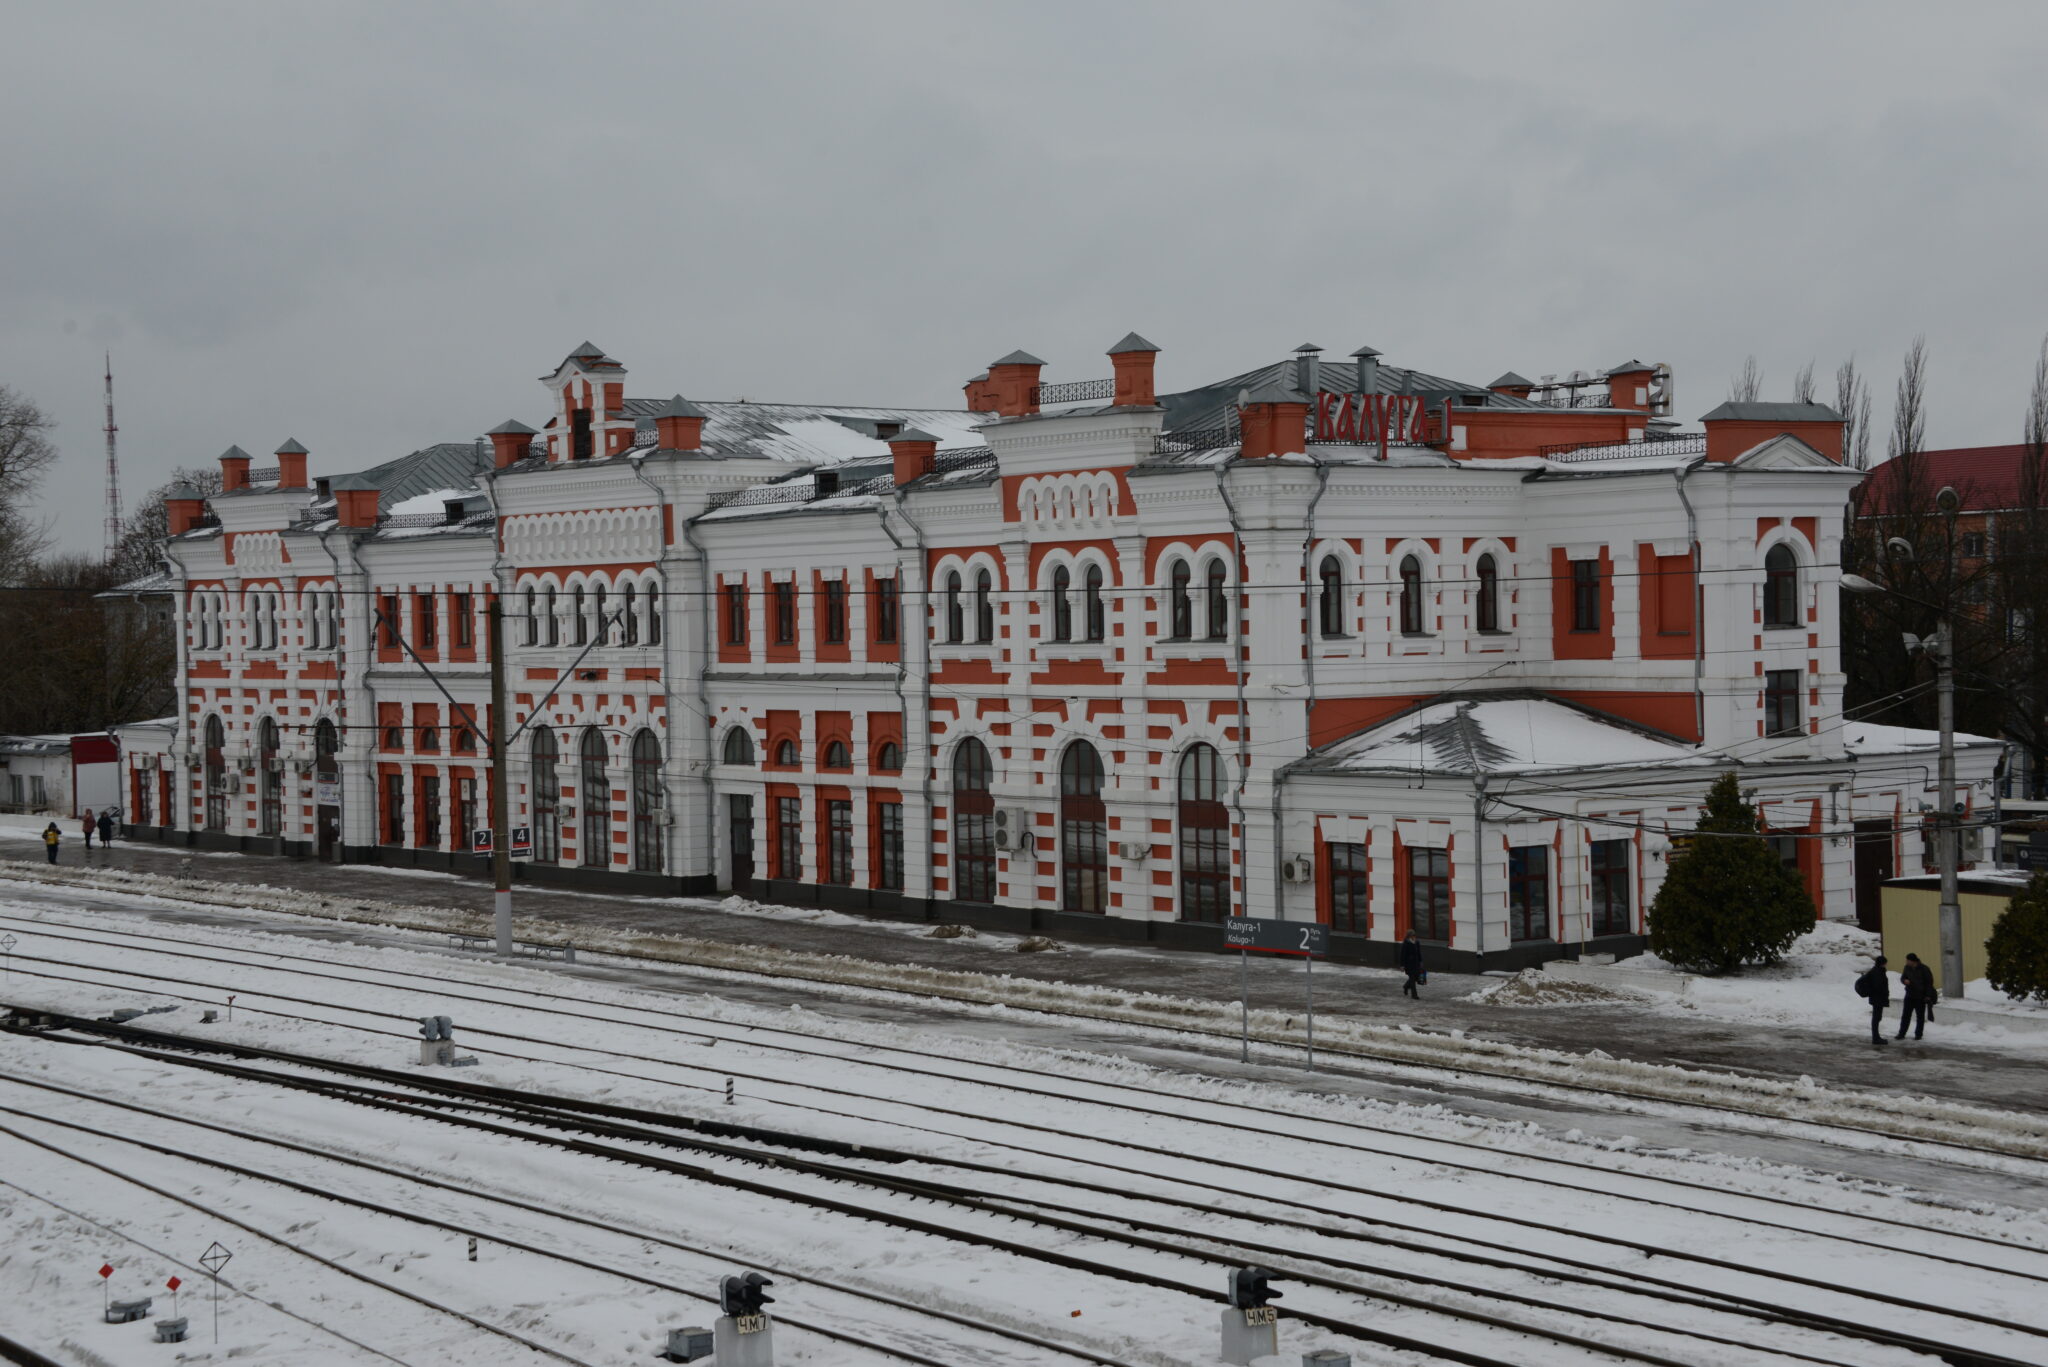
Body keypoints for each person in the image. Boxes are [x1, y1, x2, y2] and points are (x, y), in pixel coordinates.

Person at [1897, 951, 1936, 1041]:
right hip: (1909, 994)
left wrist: (1928, 995)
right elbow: (1903, 978)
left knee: (1920, 1017)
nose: (1906, 962)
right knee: (1906, 1015)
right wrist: (1904, 981)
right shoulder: (1907, 968)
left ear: (1913, 961)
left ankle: (1918, 1034)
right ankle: (1901, 1033)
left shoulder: (1924, 969)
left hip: (1920, 996)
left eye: (1907, 961)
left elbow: (1929, 983)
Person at [1855, 954, 1890, 1045]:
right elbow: (1878, 986)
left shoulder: (1877, 971)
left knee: (1877, 1018)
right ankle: (1876, 1038)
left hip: (1877, 998)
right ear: (1883, 963)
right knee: (1876, 1018)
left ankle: (1876, 1037)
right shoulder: (1877, 972)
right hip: (1877, 998)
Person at [1399, 930, 1424, 999]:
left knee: (1416, 978)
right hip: (1409, 964)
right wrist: (1402, 965)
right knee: (1412, 979)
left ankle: (1406, 986)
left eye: (1414, 935)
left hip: (1416, 964)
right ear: (1409, 936)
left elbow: (1419, 953)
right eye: (1412, 935)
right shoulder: (1406, 943)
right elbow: (1402, 955)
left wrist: (1421, 961)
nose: (1414, 937)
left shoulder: (1417, 942)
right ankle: (1414, 995)